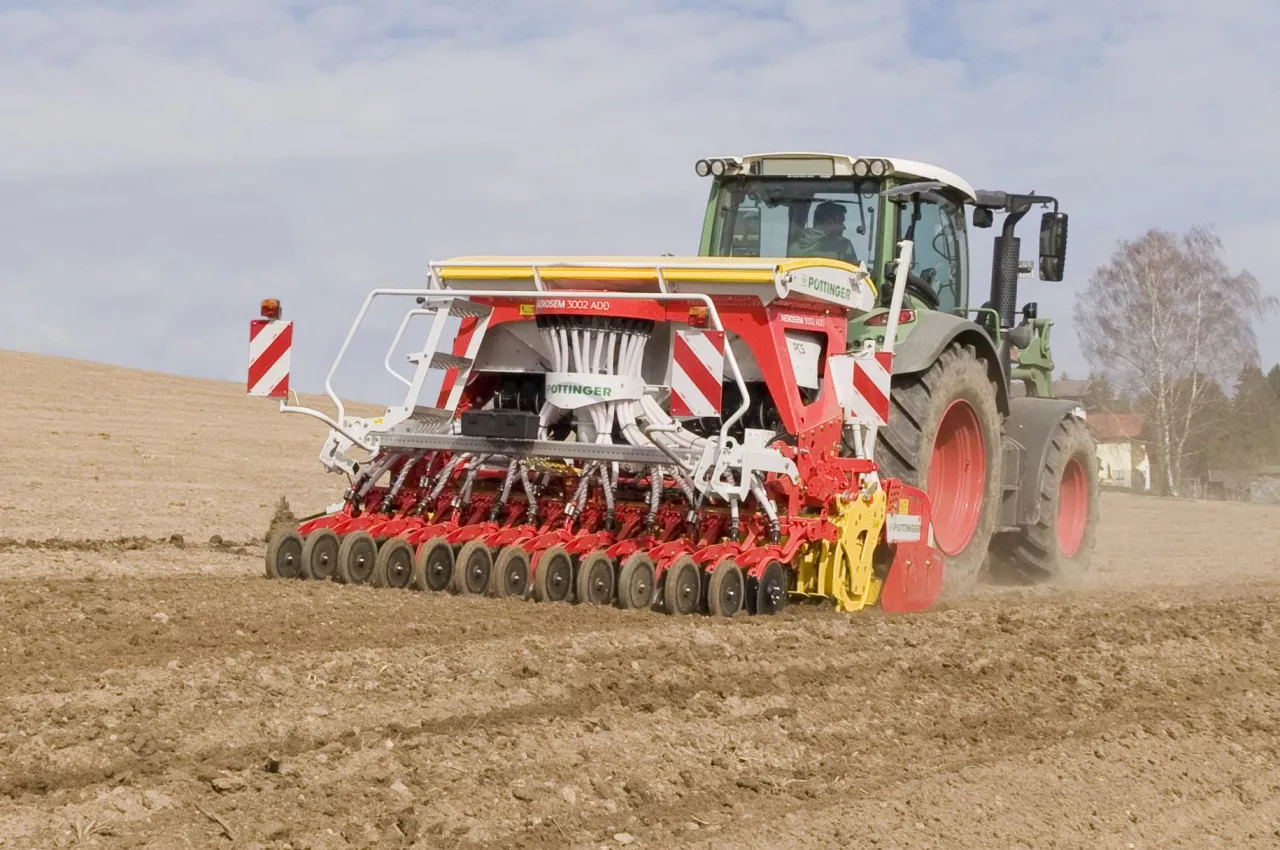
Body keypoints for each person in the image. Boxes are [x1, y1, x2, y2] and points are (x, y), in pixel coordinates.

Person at [789, 201, 858, 264]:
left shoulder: (793, 247)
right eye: (841, 222)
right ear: (829, 221)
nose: (843, 227)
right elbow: (855, 274)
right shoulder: (843, 246)